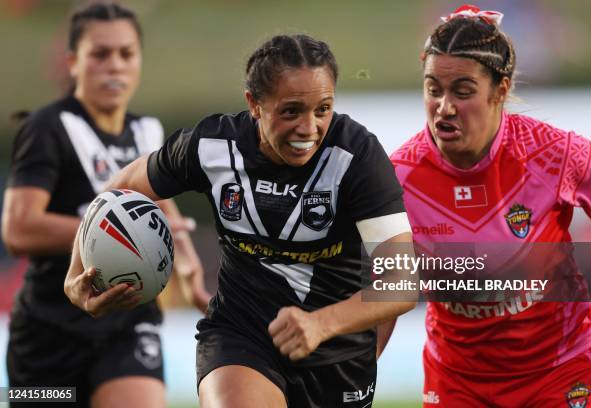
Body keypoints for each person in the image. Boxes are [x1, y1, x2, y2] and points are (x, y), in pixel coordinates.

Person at [64, 33, 418, 408]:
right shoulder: (212, 146)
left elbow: (401, 280)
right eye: (291, 111)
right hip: (240, 335)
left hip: (338, 353)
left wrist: (321, 325)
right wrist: (76, 273)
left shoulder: (357, 156)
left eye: (323, 109)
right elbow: (117, 192)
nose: (309, 128)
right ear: (254, 104)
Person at [391, 4, 591, 407]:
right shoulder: (397, 180)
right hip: (458, 382)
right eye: (433, 89)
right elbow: (384, 296)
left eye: (463, 91)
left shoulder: (556, 154)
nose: (444, 107)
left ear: (501, 90)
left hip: (559, 371)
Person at [1, 3, 209, 407]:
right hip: (46, 335)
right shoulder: (47, 128)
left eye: (126, 54)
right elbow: (17, 229)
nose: (115, 66)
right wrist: (110, 233)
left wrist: (189, 270)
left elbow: (163, 215)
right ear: (73, 62)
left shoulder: (147, 130)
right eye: (100, 54)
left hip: (129, 324)